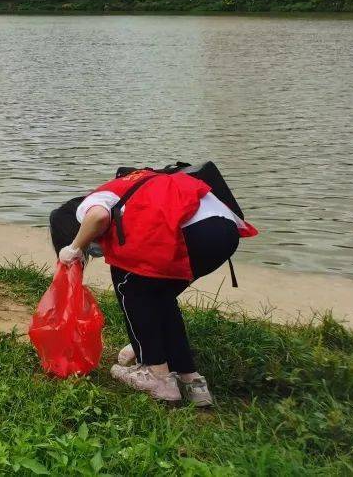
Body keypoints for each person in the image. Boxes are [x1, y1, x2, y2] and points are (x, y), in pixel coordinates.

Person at [59, 169, 257, 407]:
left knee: (130, 287)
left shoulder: (92, 201)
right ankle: (192, 381)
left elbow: (99, 218)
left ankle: (156, 373)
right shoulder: (135, 182)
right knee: (159, 297)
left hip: (191, 233)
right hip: (225, 233)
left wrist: (74, 248)